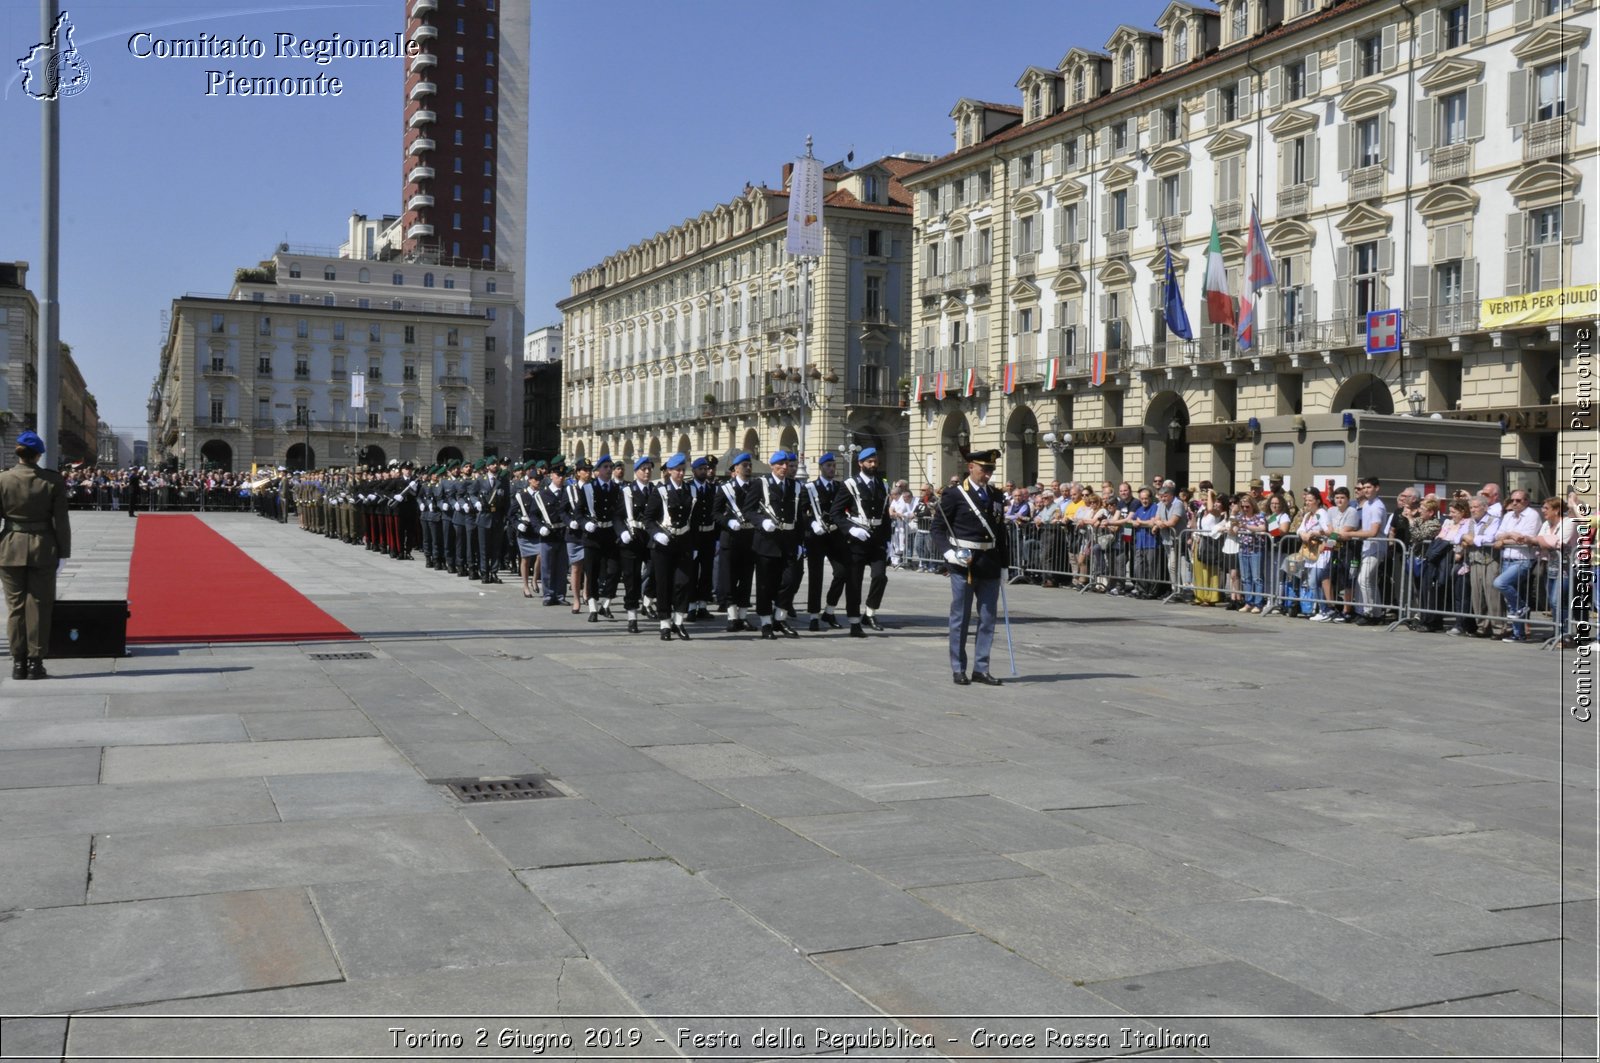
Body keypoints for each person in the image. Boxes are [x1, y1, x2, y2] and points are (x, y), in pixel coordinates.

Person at [931, 449, 1009, 686]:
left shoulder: (996, 496)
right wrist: (948, 553)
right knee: (961, 617)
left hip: (990, 562)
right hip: (964, 564)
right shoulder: (955, 495)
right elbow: (937, 528)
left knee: (987, 619)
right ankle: (959, 667)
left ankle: (981, 668)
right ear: (971, 467)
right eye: (984, 469)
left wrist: (1005, 565)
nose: (987, 474)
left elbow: (1000, 532)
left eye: (991, 470)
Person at [0, 430, 71, 679]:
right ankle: (35, 663)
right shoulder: (51, 481)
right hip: (43, 547)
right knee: (39, 606)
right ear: (38, 455)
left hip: (9, 548)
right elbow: (61, 521)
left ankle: (17, 663)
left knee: (15, 608)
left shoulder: (3, 480)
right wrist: (64, 553)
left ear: (18, 453)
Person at [831, 445, 892, 637]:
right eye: (869, 462)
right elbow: (836, 513)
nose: (873, 465)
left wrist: (889, 541)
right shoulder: (849, 485)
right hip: (857, 539)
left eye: (875, 462)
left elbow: (885, 515)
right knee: (854, 582)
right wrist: (852, 530)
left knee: (880, 576)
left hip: (877, 539)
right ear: (860, 464)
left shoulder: (883, 484)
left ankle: (870, 612)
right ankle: (854, 622)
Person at [746, 450, 804, 638]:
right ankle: (766, 622)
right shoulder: (760, 483)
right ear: (772, 466)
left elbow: (800, 517)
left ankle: (780, 618)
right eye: (780, 464)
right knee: (766, 585)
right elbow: (749, 510)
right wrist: (762, 521)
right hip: (767, 542)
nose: (784, 468)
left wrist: (802, 543)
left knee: (789, 581)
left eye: (787, 464)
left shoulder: (795, 486)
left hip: (789, 541)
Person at [644, 453, 697, 640]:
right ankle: (665, 623)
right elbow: (648, 519)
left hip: (683, 542)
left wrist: (694, 544)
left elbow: (694, 520)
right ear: (669, 471)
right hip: (663, 544)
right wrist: (656, 534)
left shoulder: (690, 491)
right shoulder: (660, 492)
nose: (681, 474)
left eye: (683, 470)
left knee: (683, 583)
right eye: (678, 470)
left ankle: (679, 621)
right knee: (664, 584)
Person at [800, 452, 847, 630]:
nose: (832, 469)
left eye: (834, 466)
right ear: (821, 468)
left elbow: (845, 510)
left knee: (842, 572)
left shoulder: (840, 487)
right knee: (816, 577)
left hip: (835, 536)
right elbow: (804, 511)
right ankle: (813, 615)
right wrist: (812, 524)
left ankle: (829, 610)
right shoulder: (810, 488)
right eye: (828, 466)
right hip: (816, 537)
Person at [714, 452, 758, 632]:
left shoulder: (756, 487)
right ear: (736, 469)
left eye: (749, 465)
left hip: (749, 538)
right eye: (744, 465)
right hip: (731, 539)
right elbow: (715, 513)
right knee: (729, 579)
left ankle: (743, 616)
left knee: (746, 579)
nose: (748, 468)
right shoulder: (725, 489)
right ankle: (732, 616)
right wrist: (728, 522)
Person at [1492, 488, 1541, 643]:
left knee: (1500, 583)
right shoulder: (1508, 516)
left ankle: (1522, 606)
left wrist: (1504, 539)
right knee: (1510, 598)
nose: (1514, 503)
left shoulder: (1532, 515)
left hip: (1523, 560)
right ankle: (1518, 633)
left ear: (1526, 501)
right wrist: (1510, 535)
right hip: (1507, 559)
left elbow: (1525, 539)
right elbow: (1497, 535)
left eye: (1518, 500)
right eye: (1512, 500)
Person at [616, 456, 656, 634]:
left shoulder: (656, 490)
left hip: (651, 537)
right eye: (643, 469)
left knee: (656, 570)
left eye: (649, 469)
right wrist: (622, 532)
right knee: (631, 578)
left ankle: (648, 600)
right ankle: (632, 616)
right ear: (636, 471)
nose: (647, 472)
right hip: (632, 537)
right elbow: (616, 516)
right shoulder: (627, 491)